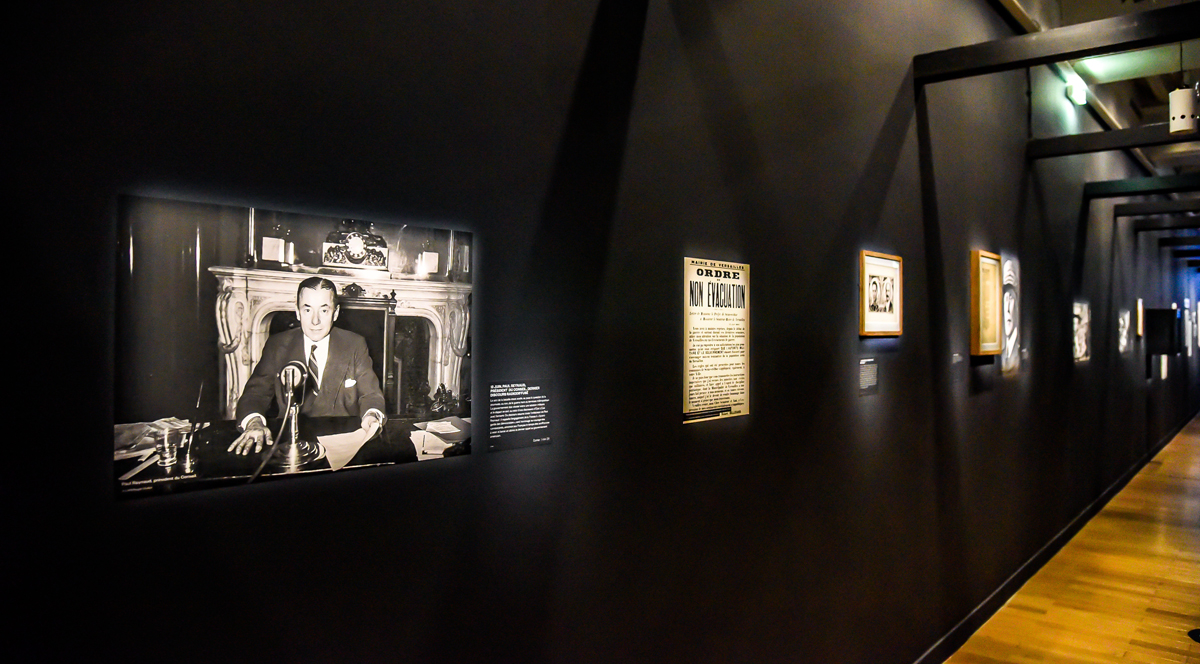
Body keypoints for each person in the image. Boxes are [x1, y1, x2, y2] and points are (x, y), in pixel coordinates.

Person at [229, 277, 386, 455]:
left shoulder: (355, 344)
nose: (315, 321)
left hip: (342, 445)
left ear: (335, 313)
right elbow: (254, 394)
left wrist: (372, 416)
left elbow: (371, 394)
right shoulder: (278, 345)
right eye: (307, 309)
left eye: (324, 310)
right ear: (297, 312)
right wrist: (254, 423)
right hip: (289, 445)